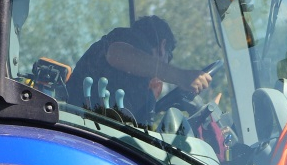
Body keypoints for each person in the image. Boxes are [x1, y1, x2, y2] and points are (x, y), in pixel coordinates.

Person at [67, 15, 213, 122]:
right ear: (162, 46)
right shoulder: (127, 39)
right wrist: (181, 77)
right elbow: (116, 53)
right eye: (169, 58)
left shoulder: (135, 85)